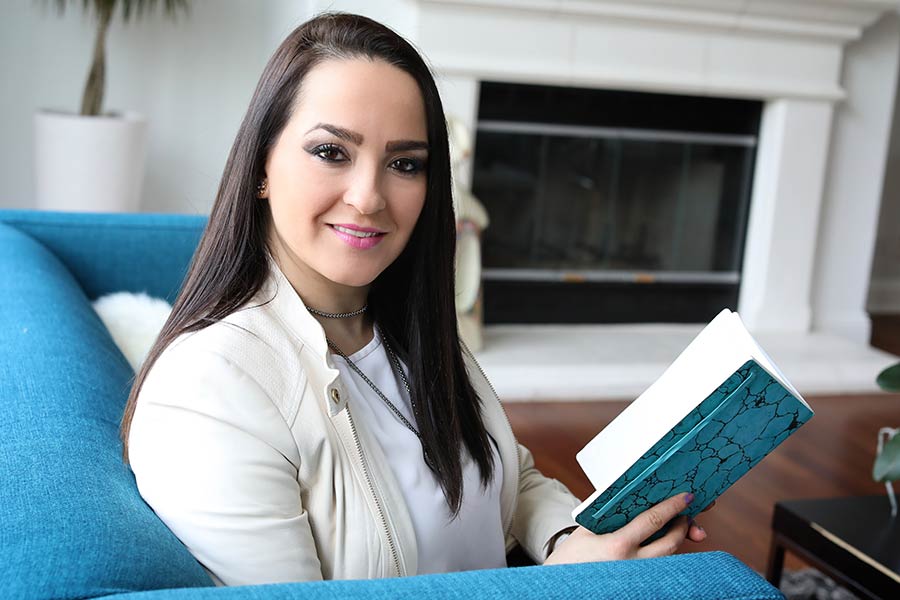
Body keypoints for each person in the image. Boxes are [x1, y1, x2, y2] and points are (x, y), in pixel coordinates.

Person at [120, 12, 709, 587]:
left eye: (405, 163)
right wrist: (560, 588)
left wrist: (573, 542)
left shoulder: (401, 324)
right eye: (331, 152)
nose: (369, 196)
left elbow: (507, 474)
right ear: (261, 167)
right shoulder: (210, 389)